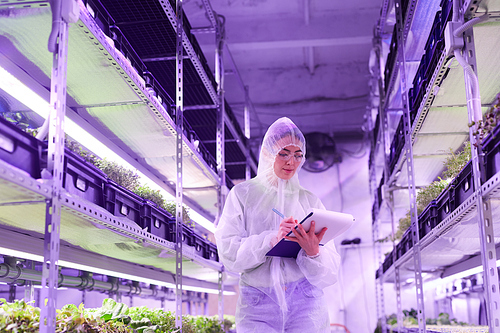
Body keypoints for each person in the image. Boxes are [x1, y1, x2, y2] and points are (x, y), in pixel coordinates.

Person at [214, 117, 340, 333]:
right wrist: (270, 240)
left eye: (298, 155)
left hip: (306, 302)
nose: (291, 162)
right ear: (267, 153)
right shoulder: (243, 195)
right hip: (258, 303)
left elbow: (330, 271)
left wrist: (313, 253)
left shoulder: (309, 201)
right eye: (283, 153)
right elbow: (229, 253)